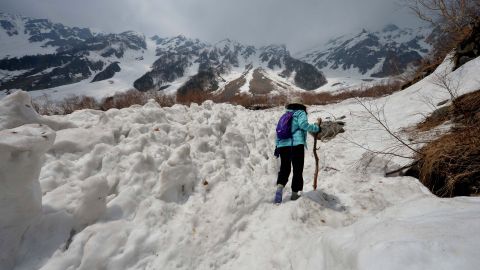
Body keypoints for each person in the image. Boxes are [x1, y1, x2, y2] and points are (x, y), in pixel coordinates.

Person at [274, 97, 321, 204]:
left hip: (283, 146)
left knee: (284, 168)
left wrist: (277, 146)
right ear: (301, 105)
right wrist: (316, 128)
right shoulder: (300, 113)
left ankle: (279, 188)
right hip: (296, 145)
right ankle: (295, 195)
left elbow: (278, 132)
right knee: (297, 169)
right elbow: (303, 125)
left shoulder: (284, 115)